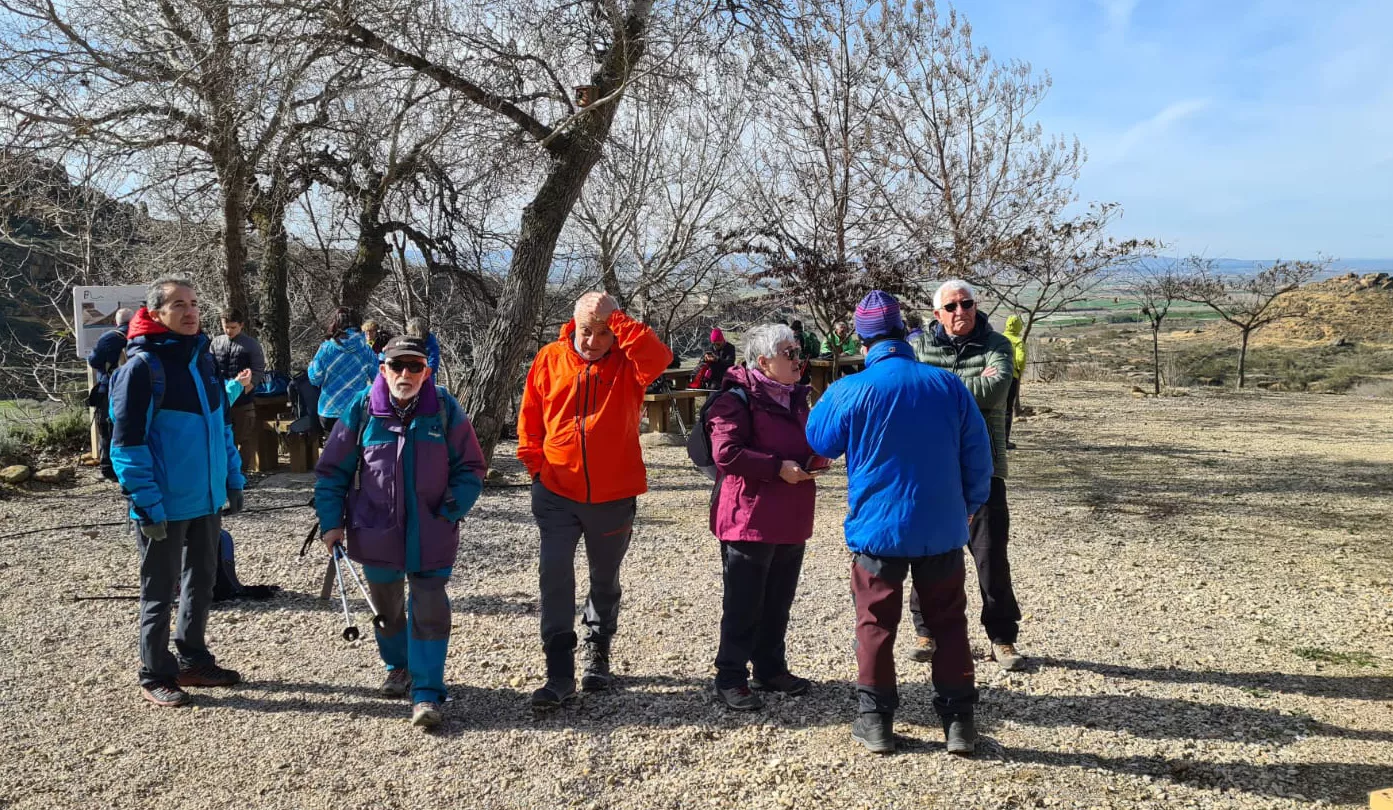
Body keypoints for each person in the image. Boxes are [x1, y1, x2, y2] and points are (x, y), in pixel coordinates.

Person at [806, 290, 993, 756]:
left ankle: (876, 722)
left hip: (877, 530)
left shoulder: (849, 389)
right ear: (905, 331)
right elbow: (978, 455)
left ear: (863, 339)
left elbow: (820, 441)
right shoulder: (947, 385)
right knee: (949, 623)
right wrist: (969, 504)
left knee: (874, 625)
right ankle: (959, 724)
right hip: (942, 527)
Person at [315, 335, 486, 728]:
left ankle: (427, 692)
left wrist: (451, 508)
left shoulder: (444, 408)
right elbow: (331, 471)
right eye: (397, 366)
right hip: (375, 531)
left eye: (414, 367)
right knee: (387, 610)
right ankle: (397, 666)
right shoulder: (361, 409)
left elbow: (471, 467)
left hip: (432, 531)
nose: (405, 374)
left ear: (427, 372)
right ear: (383, 369)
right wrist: (331, 524)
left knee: (429, 609)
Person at [517, 291, 672, 709]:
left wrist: (617, 321)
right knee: (554, 577)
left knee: (604, 578)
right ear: (573, 326)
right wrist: (536, 469)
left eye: (603, 333)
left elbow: (660, 359)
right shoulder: (549, 358)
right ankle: (559, 672)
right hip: (555, 493)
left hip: (613, 495)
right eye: (587, 331)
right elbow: (530, 420)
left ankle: (597, 649)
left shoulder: (628, 361)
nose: (593, 340)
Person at [108, 278, 246, 708]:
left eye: (194, 304)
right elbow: (125, 446)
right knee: (158, 592)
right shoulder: (142, 369)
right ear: (156, 313)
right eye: (177, 305)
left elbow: (221, 427)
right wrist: (146, 503)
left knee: (201, 584)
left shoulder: (202, 362)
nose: (190, 313)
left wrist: (233, 479)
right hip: (162, 507)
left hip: (204, 502)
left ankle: (193, 659)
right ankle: (154, 673)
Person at [909, 280, 1025, 672]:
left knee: (991, 555)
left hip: (984, 466)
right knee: (929, 554)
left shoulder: (998, 345)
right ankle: (927, 632)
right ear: (937, 314)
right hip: (931, 465)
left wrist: (934, 386)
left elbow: (994, 391)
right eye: (952, 306)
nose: (962, 311)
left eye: (967, 303)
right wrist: (960, 388)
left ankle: (1002, 636)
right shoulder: (919, 346)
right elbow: (911, 393)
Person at [707, 324, 818, 711]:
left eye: (798, 350)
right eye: (789, 353)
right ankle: (731, 675)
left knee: (779, 599)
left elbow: (807, 442)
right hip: (748, 518)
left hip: (791, 515)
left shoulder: (799, 397)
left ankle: (770, 668)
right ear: (764, 361)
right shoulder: (735, 399)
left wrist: (817, 458)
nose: (797, 359)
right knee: (744, 602)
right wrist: (777, 468)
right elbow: (727, 453)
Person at [210, 307, 266, 475]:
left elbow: (258, 369)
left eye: (233, 327)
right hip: (221, 399)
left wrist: (247, 387)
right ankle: (225, 472)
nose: (228, 331)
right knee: (223, 439)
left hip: (243, 401)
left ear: (241, 325)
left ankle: (241, 473)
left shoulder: (251, 345)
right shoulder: (216, 342)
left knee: (244, 438)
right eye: (225, 326)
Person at [308, 307, 378, 434]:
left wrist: (312, 364)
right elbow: (378, 379)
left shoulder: (325, 349)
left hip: (329, 410)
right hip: (356, 410)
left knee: (333, 449)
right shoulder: (366, 350)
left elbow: (315, 379)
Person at [87, 307, 134, 481]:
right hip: (134, 390)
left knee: (107, 429)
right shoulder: (141, 336)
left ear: (117, 321)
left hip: (110, 389)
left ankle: (109, 469)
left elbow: (94, 361)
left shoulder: (109, 338)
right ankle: (129, 466)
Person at [1002, 315, 1027, 449]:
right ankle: (1004, 441)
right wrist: (1018, 369)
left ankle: (992, 439)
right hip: (1011, 376)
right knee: (1007, 409)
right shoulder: (1017, 341)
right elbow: (1021, 359)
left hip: (995, 376)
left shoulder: (998, 338)